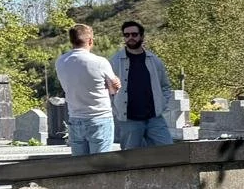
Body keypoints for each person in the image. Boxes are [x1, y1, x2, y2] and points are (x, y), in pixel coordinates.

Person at [55, 24, 121, 155]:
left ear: (72, 41)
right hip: (99, 118)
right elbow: (114, 90)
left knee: (80, 164)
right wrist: (115, 84)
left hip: (75, 117)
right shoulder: (100, 62)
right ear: (90, 41)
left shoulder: (61, 61)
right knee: (101, 163)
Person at [109, 20, 175, 148]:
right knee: (131, 156)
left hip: (154, 118)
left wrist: (162, 104)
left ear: (142, 36)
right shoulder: (115, 62)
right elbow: (107, 90)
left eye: (134, 34)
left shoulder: (155, 61)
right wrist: (116, 110)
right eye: (126, 35)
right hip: (129, 120)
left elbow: (165, 86)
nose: (130, 38)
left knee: (167, 150)